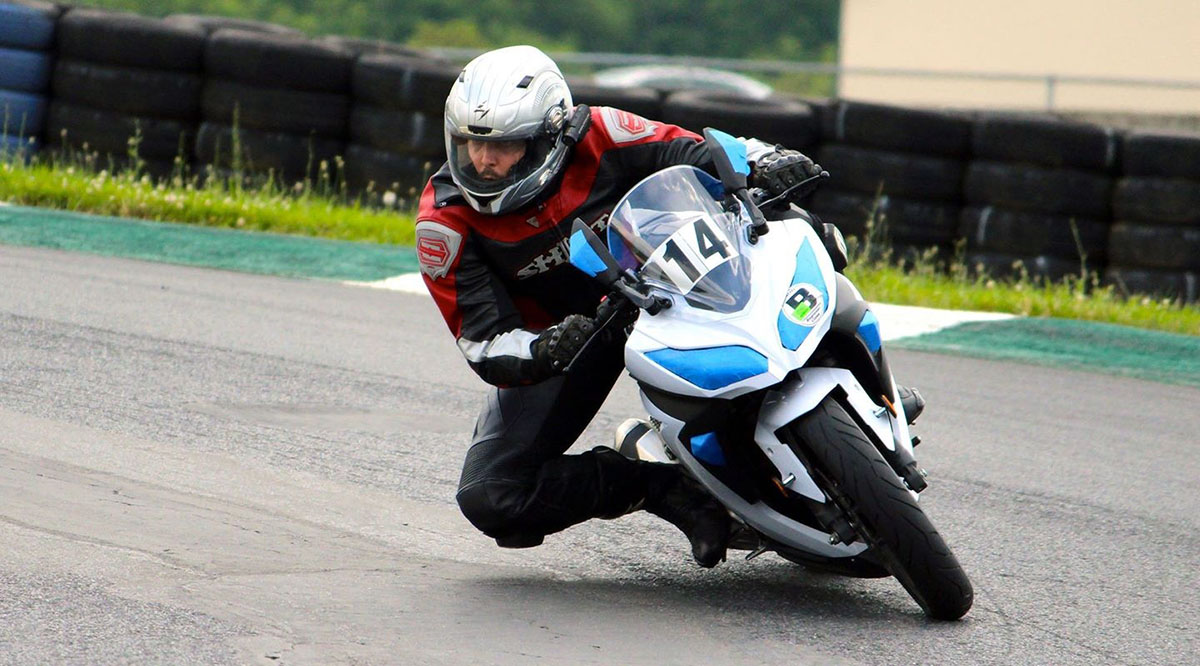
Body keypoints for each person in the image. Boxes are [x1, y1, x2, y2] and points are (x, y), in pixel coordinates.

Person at [416, 45, 917, 568]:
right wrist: (548, 347)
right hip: (573, 338)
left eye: (505, 145)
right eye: (469, 143)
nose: (481, 160)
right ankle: (662, 485)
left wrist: (770, 160)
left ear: (550, 136)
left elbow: (698, 151)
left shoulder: (603, 132)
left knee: (802, 226)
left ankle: (863, 376)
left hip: (673, 278)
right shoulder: (444, 222)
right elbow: (483, 338)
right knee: (492, 495)